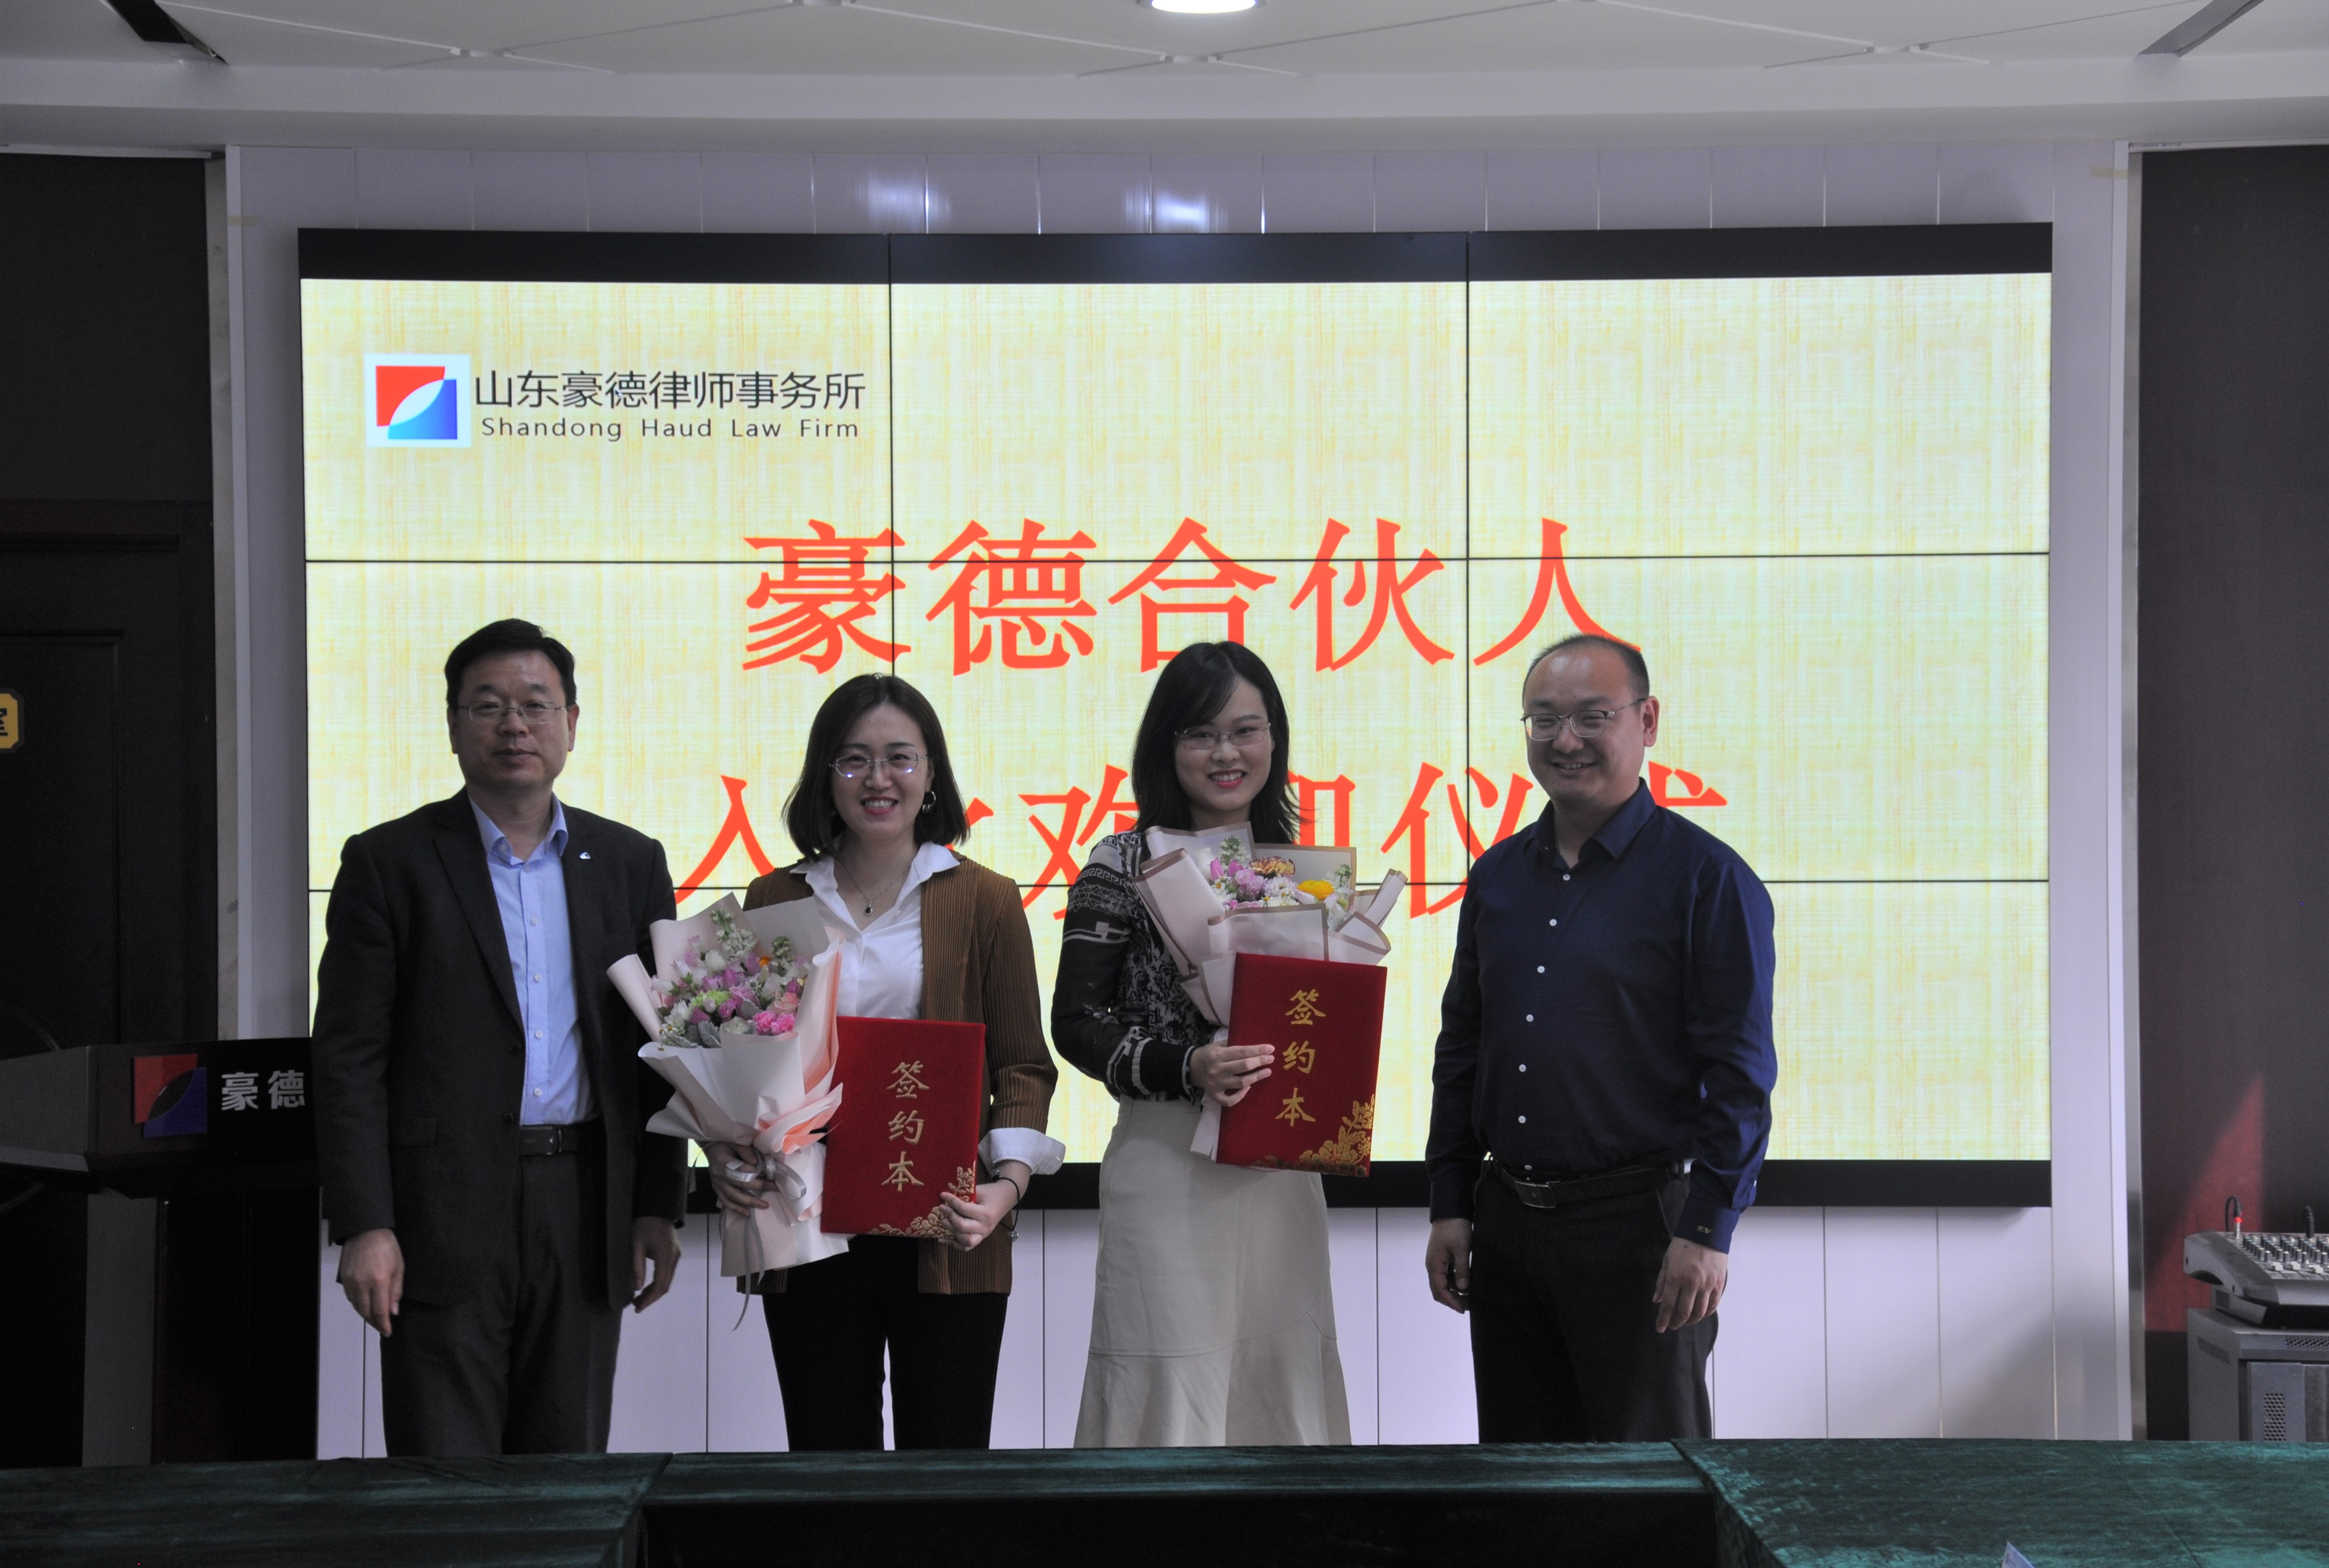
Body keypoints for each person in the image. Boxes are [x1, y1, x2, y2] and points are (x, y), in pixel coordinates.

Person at [312, 619, 685, 1457]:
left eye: (535, 705)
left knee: (566, 1472)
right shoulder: (389, 862)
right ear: (453, 726)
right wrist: (365, 1223)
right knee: (444, 1477)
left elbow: (659, 1052)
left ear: (571, 724)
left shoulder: (629, 862)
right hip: (438, 1212)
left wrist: (658, 1204)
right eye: (488, 706)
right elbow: (348, 1060)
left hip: (583, 1206)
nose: (514, 725)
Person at [1423, 632, 1776, 1442]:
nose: (1565, 740)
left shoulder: (1708, 880)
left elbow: (1740, 1074)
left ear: (1646, 721)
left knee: (1647, 1484)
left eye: (1592, 717)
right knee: (1522, 1481)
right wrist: (1450, 1202)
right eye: (1543, 720)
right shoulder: (1497, 877)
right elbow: (1462, 1050)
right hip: (1507, 1225)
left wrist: (1707, 1230)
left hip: (1641, 1230)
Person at [705, 673, 1062, 1451]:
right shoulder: (773, 898)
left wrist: (1005, 1188)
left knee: (947, 1462)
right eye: (854, 760)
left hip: (949, 1227)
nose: (878, 779)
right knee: (826, 1459)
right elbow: (736, 1066)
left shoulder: (985, 899)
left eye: (900, 758)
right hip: (807, 1222)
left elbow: (1023, 1068)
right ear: (825, 776)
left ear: (931, 775)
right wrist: (723, 1154)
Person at [1055, 641, 1351, 1447]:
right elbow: (1075, 1023)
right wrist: (1185, 1066)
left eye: (1246, 731)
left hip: (1278, 1167)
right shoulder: (1119, 863)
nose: (1226, 753)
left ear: (1274, 740)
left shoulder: (1299, 873)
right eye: (1200, 734)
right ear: (1166, 746)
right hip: (1165, 1164)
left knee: (1279, 1381)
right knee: (1164, 1383)